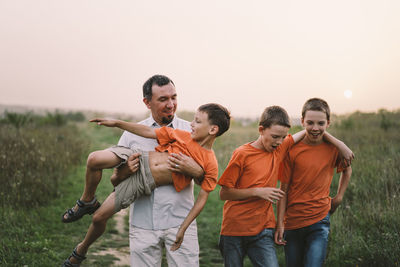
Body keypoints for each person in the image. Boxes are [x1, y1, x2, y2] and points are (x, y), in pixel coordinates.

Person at [62, 102, 231, 266]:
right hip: (138, 157)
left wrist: (183, 229)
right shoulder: (183, 135)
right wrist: (117, 123)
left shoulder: (210, 163)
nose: (192, 124)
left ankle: (80, 250)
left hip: (142, 183)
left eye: (197, 121)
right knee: (94, 159)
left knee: (99, 217)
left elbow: (202, 199)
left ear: (213, 129)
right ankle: (87, 201)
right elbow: (149, 132)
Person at [218, 106, 306, 267]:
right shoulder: (242, 154)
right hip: (234, 230)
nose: (279, 142)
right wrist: (257, 192)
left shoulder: (279, 148)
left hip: (263, 230)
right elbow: (224, 193)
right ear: (261, 130)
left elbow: (307, 131)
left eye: (283, 137)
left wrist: (340, 144)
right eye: (274, 136)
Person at [274, 98, 354, 267]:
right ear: (302, 121)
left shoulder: (333, 149)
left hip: (320, 220)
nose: (315, 128)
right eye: (310, 123)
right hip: (293, 221)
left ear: (328, 123)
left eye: (321, 123)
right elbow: (284, 190)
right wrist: (280, 223)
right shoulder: (292, 150)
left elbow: (347, 169)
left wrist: (339, 197)